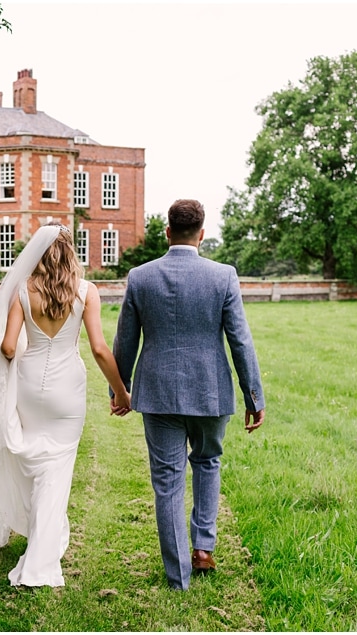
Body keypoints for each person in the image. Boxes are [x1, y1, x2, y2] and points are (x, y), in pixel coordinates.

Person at [0, 222, 131, 588]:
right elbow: (99, 349)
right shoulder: (87, 292)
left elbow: (8, 347)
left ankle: (43, 533)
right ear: (70, 252)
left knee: (31, 460)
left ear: (38, 254)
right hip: (67, 391)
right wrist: (120, 392)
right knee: (56, 468)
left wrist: (9, 370)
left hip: (28, 387)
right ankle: (41, 562)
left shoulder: (23, 293)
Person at [111, 198, 265, 591]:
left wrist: (119, 388)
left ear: (167, 232)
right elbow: (240, 342)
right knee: (208, 462)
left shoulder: (140, 277)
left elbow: (125, 339)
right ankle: (203, 549)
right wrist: (253, 396)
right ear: (201, 233)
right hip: (210, 390)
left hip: (158, 391)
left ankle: (178, 575)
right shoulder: (223, 276)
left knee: (167, 479)